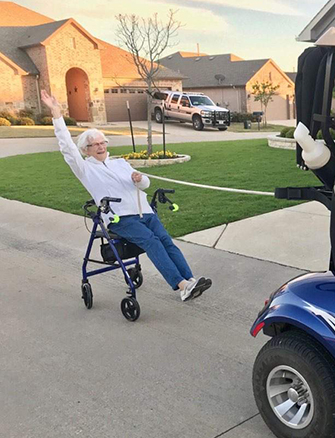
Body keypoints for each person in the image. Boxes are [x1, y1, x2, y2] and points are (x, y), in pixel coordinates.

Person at [41, 90, 211, 302]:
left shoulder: (120, 163)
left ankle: (191, 280)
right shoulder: (85, 169)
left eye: (102, 142)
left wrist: (140, 180)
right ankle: (182, 285)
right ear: (86, 150)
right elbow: (67, 146)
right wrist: (57, 113)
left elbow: (145, 185)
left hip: (145, 212)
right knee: (152, 242)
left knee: (167, 241)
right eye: (95, 144)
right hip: (120, 218)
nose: (101, 147)